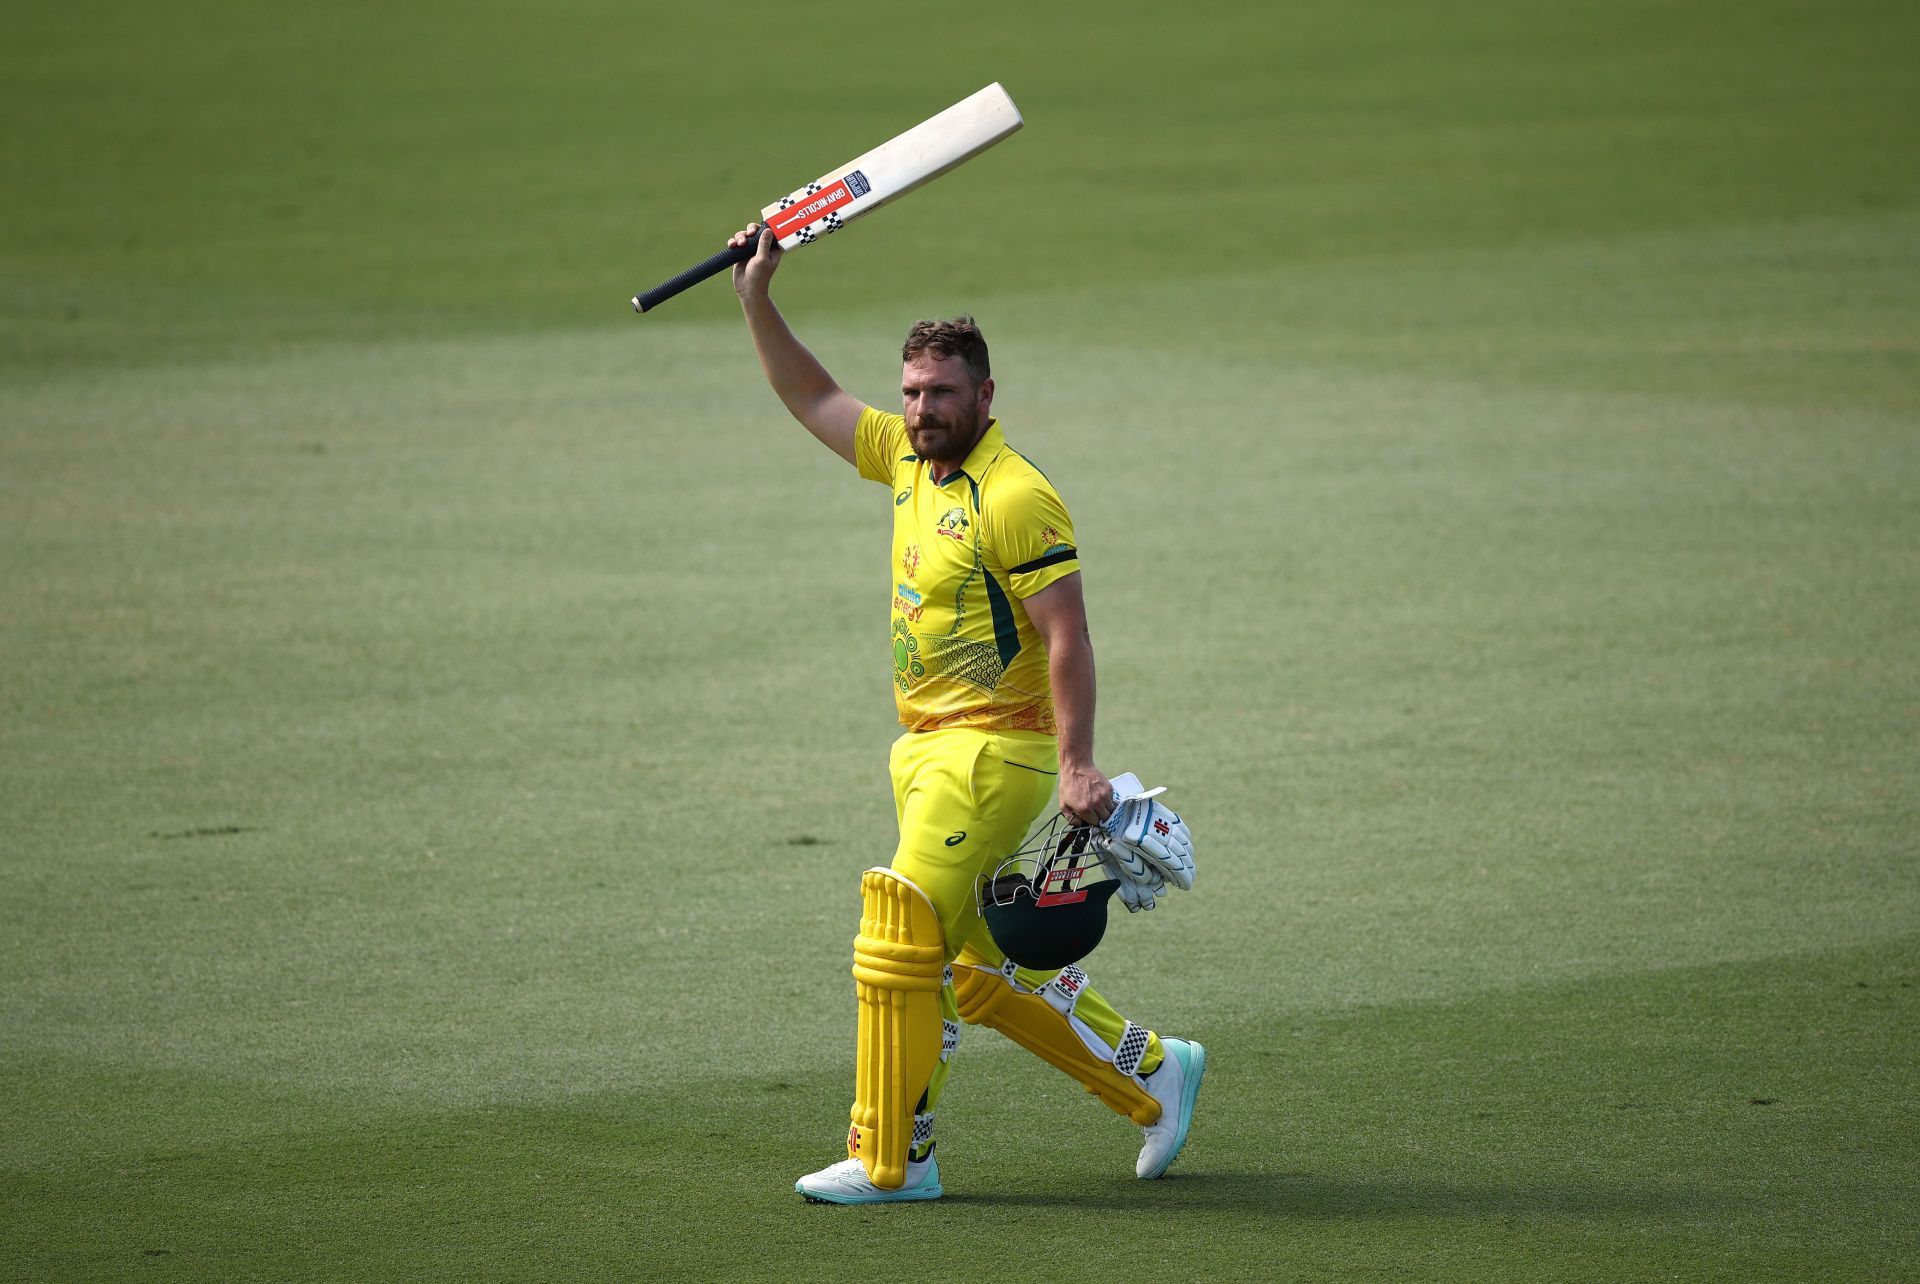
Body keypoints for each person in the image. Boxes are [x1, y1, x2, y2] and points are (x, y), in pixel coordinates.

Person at [726, 223, 1205, 1205]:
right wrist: (756, 299)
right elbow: (811, 395)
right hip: (924, 749)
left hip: (997, 751)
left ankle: (894, 1157)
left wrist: (1080, 765)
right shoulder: (906, 461)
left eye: (941, 393)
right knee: (977, 968)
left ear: (985, 397)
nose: (920, 409)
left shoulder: (1016, 495)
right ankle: (1152, 1069)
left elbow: (1066, 634)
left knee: (898, 928)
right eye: (909, 392)